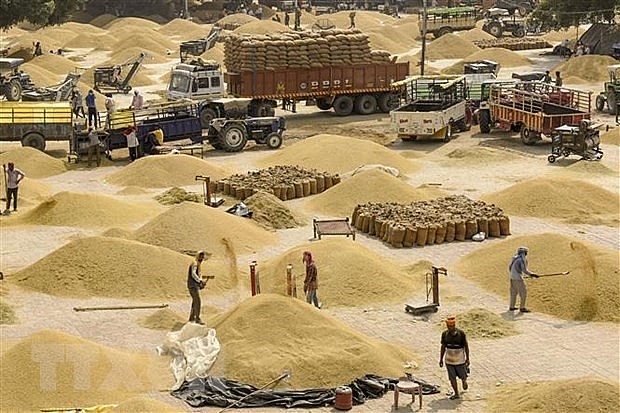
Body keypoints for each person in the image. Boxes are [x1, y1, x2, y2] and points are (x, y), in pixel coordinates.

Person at [439, 316, 470, 400]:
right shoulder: (444, 334)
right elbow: (443, 347)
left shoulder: (461, 334)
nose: (450, 328)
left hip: (460, 359)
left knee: (463, 375)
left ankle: (464, 381)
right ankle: (456, 393)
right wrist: (441, 359)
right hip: (449, 360)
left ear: (454, 325)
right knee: (452, 378)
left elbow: (466, 346)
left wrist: (467, 358)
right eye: (449, 326)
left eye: (452, 326)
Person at [509, 246, 538, 312]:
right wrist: (532, 274)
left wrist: (520, 275)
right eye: (526, 252)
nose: (526, 254)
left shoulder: (515, 258)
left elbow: (510, 268)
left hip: (512, 278)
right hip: (518, 279)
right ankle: (522, 308)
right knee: (523, 293)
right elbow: (524, 270)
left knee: (513, 293)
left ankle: (512, 306)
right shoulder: (521, 260)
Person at [187, 251, 211, 324]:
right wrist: (200, 281)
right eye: (200, 256)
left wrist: (200, 282)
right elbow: (193, 274)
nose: (201, 258)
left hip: (194, 285)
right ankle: (197, 318)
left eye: (202, 257)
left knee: (195, 301)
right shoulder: (194, 263)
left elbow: (198, 275)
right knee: (198, 301)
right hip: (192, 286)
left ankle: (192, 317)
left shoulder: (198, 264)